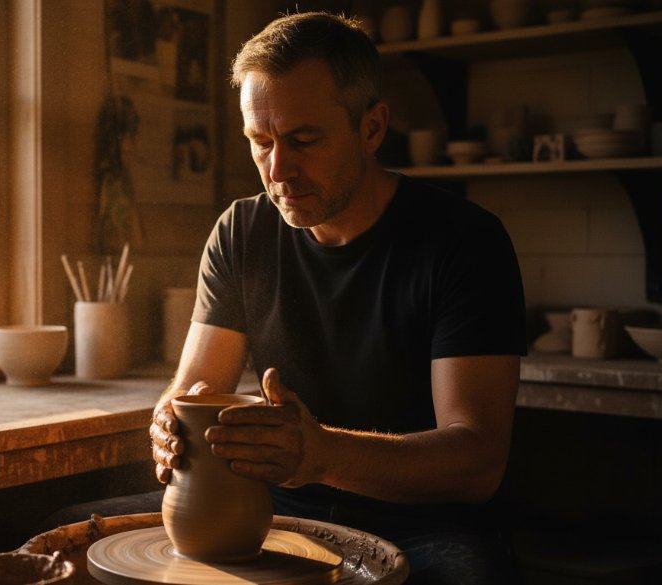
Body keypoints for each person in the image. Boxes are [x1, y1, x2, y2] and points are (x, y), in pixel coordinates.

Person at [148, 11, 526, 585]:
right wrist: (169, 423)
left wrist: (320, 454)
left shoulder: (463, 242)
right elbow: (196, 392)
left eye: (303, 140)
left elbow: (477, 462)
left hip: (427, 525)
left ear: (372, 128)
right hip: (276, 512)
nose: (278, 170)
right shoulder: (242, 232)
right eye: (260, 141)